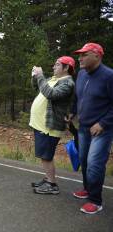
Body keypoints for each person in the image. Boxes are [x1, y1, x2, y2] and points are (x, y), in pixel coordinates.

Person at [69, 43, 113, 214]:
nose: (79, 58)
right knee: (85, 161)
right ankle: (88, 189)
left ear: (97, 55)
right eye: (79, 55)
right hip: (83, 127)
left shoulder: (109, 76)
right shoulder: (81, 74)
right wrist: (72, 113)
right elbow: (77, 97)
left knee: (95, 164)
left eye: (84, 55)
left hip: (102, 129)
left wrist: (103, 123)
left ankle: (95, 201)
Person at [29, 56, 76, 194]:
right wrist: (35, 76)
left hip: (50, 126)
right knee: (44, 155)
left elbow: (51, 94)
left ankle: (52, 184)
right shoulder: (53, 79)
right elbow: (37, 86)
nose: (53, 67)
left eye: (57, 65)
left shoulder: (68, 83)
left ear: (66, 68)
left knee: (46, 156)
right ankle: (47, 178)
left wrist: (41, 75)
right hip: (40, 124)